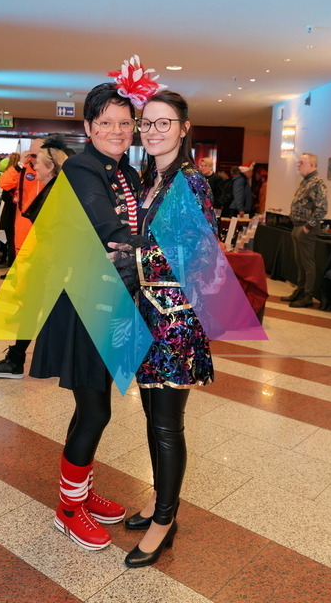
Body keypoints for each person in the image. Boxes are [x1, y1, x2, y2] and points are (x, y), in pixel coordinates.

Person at [27, 77, 157, 552]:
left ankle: (79, 493)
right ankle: (67, 510)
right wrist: (165, 247)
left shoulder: (127, 171)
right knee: (96, 410)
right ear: (88, 126)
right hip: (85, 300)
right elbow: (107, 225)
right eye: (106, 122)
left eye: (125, 122)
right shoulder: (83, 167)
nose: (117, 131)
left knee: (91, 408)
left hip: (113, 298)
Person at [110, 90, 217, 568]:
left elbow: (200, 254)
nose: (152, 132)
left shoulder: (191, 182)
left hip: (175, 323)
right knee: (153, 418)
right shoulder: (150, 178)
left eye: (163, 123)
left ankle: (164, 522)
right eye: (147, 123)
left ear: (184, 128)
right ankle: (159, 500)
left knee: (167, 426)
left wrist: (131, 255)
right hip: (146, 315)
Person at [0, 136, 69, 379]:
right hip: (46, 261)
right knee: (33, 309)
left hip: (52, 264)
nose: (34, 165)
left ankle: (19, 360)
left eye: (37, 160)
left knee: (41, 310)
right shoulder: (55, 188)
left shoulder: (58, 192)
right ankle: (17, 359)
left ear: (51, 166)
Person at [280, 153, 328, 308]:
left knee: (307, 263)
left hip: (306, 228)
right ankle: (300, 290)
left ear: (312, 165)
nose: (298, 165)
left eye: (302, 162)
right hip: (297, 226)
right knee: (299, 262)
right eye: (298, 162)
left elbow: (322, 208)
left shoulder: (317, 182)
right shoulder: (306, 181)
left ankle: (308, 296)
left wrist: (307, 227)